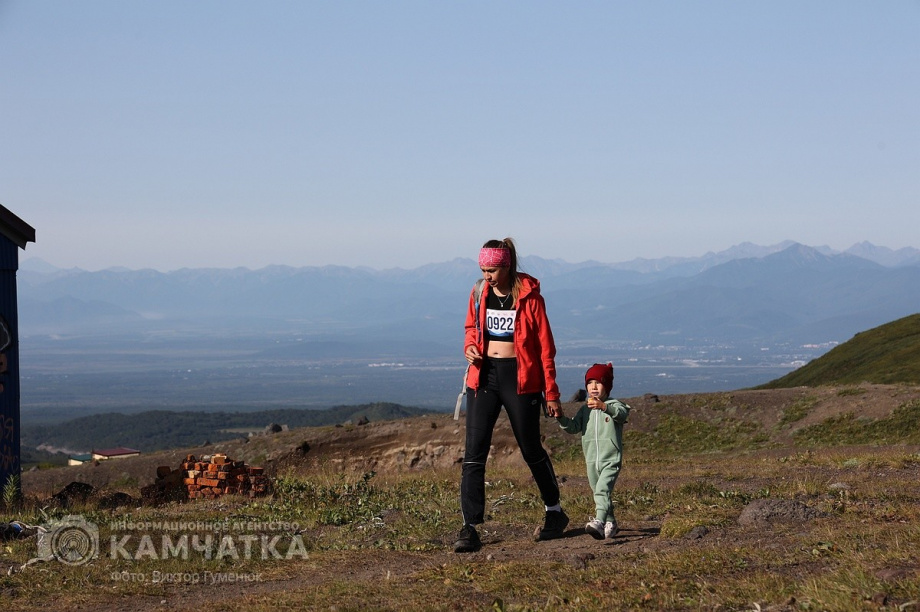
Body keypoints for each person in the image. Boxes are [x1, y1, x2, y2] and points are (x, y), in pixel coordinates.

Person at [454, 238, 568, 553]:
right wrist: (470, 348)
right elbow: (469, 329)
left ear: (505, 266)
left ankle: (555, 512)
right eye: (483, 269)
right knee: (474, 452)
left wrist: (552, 392)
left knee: (531, 448)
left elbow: (546, 348)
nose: (486, 275)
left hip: (521, 380)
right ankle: (470, 527)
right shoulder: (479, 293)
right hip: (485, 377)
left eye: (491, 270)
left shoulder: (531, 298)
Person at [556, 362, 630, 540]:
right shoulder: (584, 410)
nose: (593, 387)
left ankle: (599, 521)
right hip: (591, 461)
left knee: (602, 491)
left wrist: (604, 407)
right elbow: (574, 427)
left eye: (598, 382)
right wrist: (560, 417)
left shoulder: (615, 405)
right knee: (600, 493)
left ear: (607, 386)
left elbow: (622, 415)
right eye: (590, 383)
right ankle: (611, 521)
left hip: (610, 459)